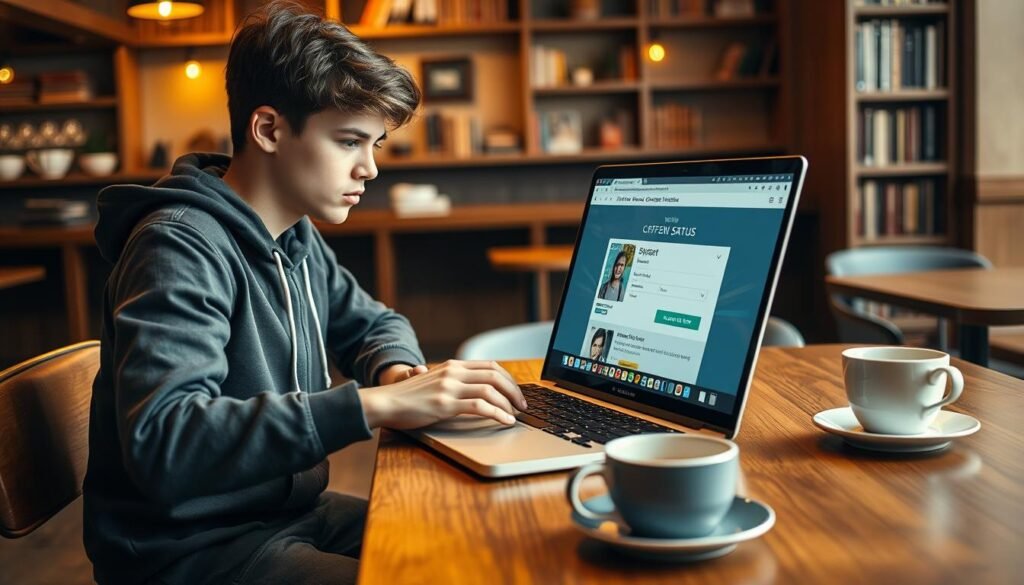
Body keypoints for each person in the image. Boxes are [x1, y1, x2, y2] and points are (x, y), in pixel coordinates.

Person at [82, 3, 526, 585]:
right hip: (193, 552)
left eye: (376, 145)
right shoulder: (178, 248)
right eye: (349, 142)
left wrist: (396, 375)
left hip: (287, 513)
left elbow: (370, 323)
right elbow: (168, 439)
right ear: (268, 129)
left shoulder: (293, 233)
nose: (370, 169)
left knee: (475, 540)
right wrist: (378, 406)